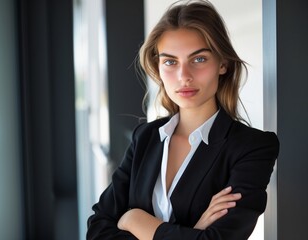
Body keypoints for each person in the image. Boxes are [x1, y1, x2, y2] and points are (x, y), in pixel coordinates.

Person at [87, 0, 279, 239]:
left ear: (223, 63)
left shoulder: (251, 147)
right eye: (170, 61)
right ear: (158, 67)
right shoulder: (145, 137)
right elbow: (98, 229)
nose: (184, 76)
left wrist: (134, 219)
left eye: (198, 59)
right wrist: (193, 232)